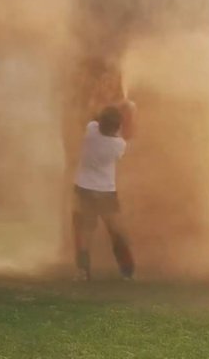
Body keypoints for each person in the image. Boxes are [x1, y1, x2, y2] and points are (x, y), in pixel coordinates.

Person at [72, 101, 137, 281]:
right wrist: (131, 109)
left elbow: (94, 117)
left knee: (84, 233)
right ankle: (127, 272)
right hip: (106, 193)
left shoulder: (91, 131)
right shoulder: (118, 145)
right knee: (116, 232)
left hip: (83, 189)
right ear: (117, 127)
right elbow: (127, 135)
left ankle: (83, 272)